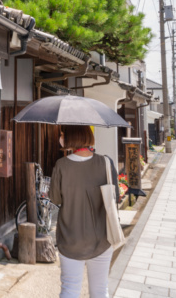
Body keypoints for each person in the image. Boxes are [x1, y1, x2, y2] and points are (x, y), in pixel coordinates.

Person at [49, 124, 120, 298]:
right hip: (102, 238)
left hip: (71, 238)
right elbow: (115, 196)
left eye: (63, 134)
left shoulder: (61, 165)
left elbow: (55, 199)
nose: (61, 137)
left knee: (70, 289)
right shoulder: (105, 162)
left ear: (71, 138)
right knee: (100, 290)